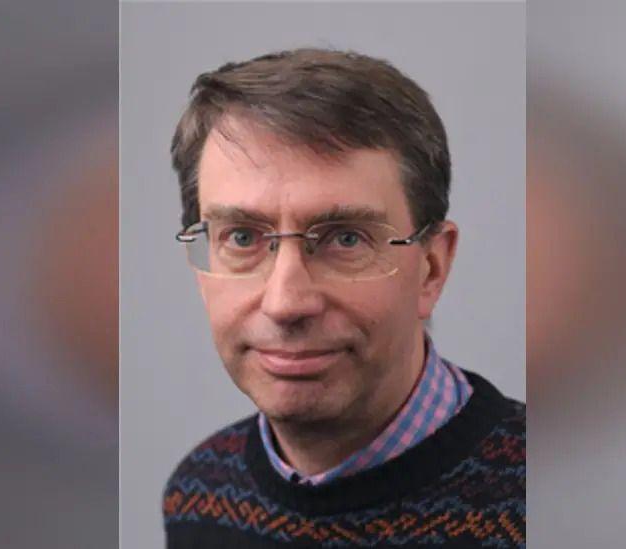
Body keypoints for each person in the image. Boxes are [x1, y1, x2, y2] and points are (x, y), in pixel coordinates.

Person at [162, 48, 525, 548]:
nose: (285, 303)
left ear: (431, 268)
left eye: (346, 239)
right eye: (242, 238)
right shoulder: (199, 495)